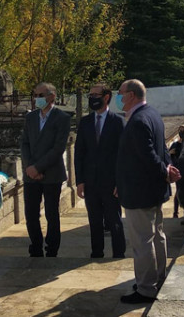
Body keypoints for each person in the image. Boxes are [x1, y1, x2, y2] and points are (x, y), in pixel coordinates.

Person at [115, 79, 180, 304]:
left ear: (131, 95)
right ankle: (157, 277)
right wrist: (169, 168)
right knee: (156, 235)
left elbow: (149, 156)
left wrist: (164, 171)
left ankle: (145, 289)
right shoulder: (152, 114)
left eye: (120, 93)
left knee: (142, 241)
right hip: (152, 189)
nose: (118, 97)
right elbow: (161, 150)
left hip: (139, 191)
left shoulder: (139, 121)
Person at [74, 83, 125, 259]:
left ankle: (119, 253)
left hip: (111, 182)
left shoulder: (117, 122)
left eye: (96, 94)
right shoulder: (86, 122)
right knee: (94, 221)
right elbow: (79, 153)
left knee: (114, 220)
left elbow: (122, 154)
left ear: (106, 97)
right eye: (90, 94)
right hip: (90, 182)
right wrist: (79, 181)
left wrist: (120, 182)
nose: (92, 98)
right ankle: (97, 252)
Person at [20, 82, 71, 257]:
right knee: (31, 213)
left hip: (52, 174)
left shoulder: (62, 118)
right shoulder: (30, 118)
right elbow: (24, 143)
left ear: (52, 97)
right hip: (31, 175)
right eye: (35, 95)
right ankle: (35, 246)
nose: (37, 99)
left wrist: (39, 167)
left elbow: (58, 148)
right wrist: (29, 167)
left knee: (51, 212)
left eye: (40, 95)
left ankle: (52, 248)